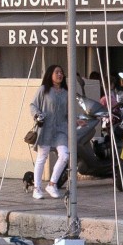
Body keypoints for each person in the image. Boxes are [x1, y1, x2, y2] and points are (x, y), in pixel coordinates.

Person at [30, 65, 72, 199]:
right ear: (50, 74)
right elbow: (33, 105)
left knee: (64, 155)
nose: (60, 75)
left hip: (61, 129)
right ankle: (37, 188)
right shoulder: (44, 89)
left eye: (61, 72)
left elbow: (69, 112)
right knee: (42, 157)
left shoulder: (66, 92)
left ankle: (52, 184)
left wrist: (76, 120)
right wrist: (37, 115)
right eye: (57, 72)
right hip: (46, 128)